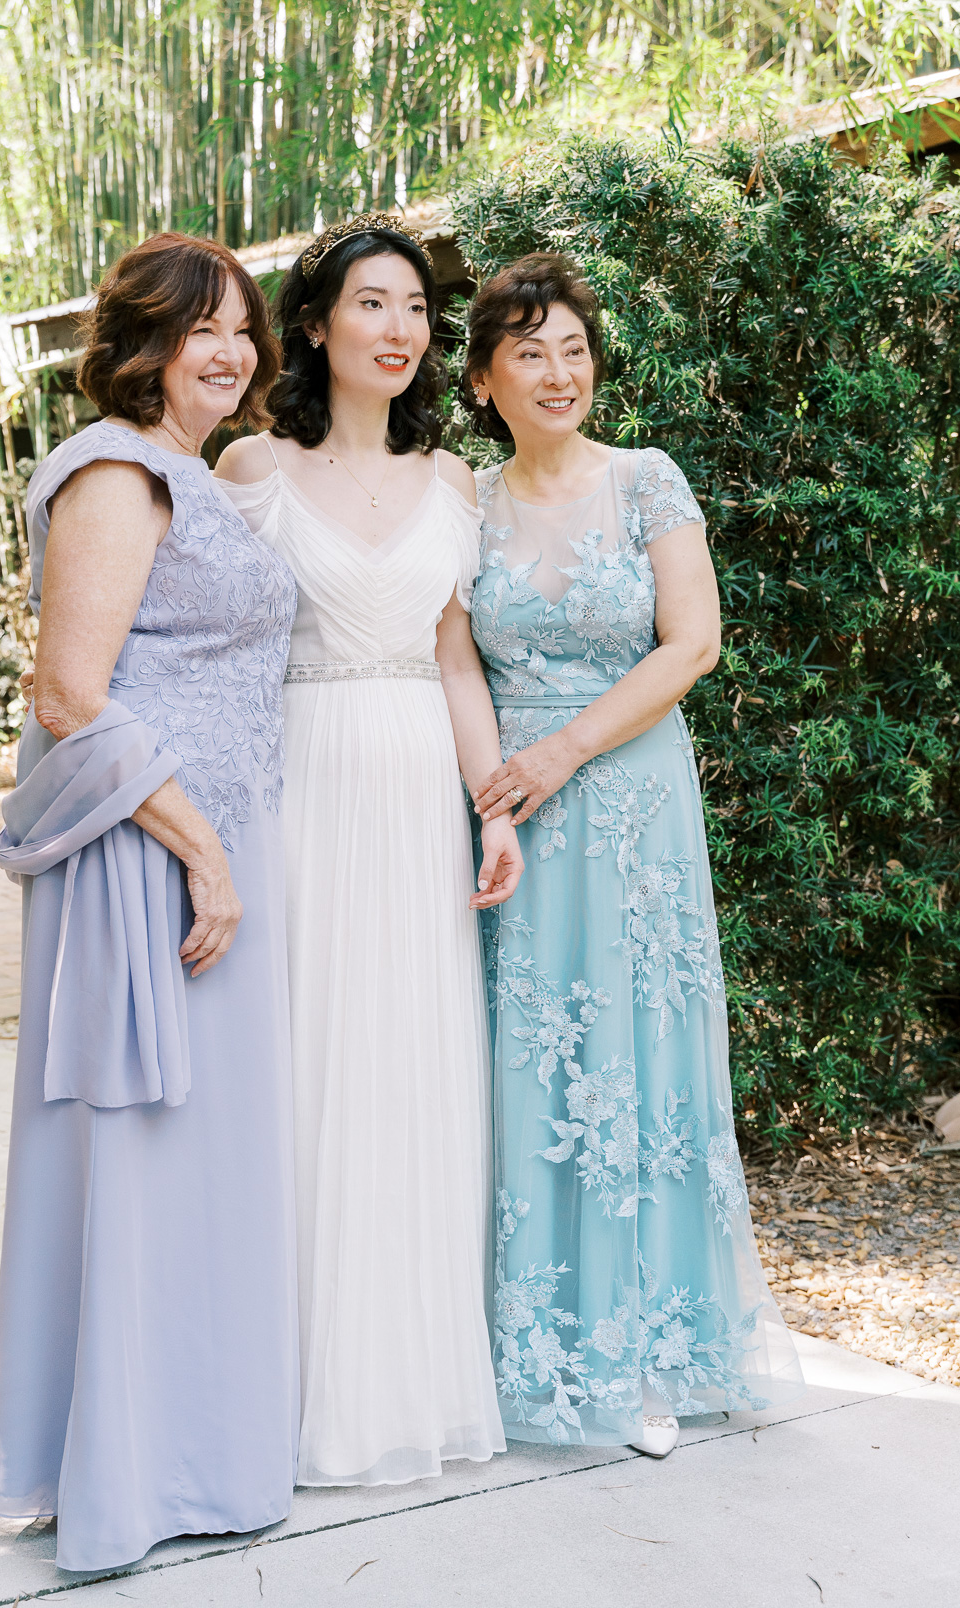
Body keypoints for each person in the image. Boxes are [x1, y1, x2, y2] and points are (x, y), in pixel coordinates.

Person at [0, 233, 300, 1571]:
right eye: (197, 328)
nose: (225, 351)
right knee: (141, 1151)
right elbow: (69, 694)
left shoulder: (195, 469)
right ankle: (129, 1474)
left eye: (239, 328)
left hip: (204, 844)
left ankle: (193, 1454)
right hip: (143, 854)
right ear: (141, 345)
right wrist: (203, 851)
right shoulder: (115, 472)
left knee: (200, 1163)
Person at [464, 252, 803, 1459]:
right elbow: (451, 657)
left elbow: (691, 644)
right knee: (523, 1056)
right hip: (509, 807)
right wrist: (496, 790)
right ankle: (519, 1343)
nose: (559, 373)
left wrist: (562, 751)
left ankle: (649, 1347)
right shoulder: (463, 499)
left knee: (638, 1054)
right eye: (530, 354)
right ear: (484, 379)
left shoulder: (646, 478)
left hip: (629, 801)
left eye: (574, 349)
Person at [216, 211, 522, 1488]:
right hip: (301, 785)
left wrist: (491, 805)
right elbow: (220, 648)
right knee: (308, 1058)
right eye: (371, 305)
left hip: (414, 790)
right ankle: (284, 1388)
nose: (398, 330)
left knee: (410, 1064)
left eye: (414, 310)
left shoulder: (452, 482)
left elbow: (454, 658)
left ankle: (403, 1382)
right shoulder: (252, 467)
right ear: (315, 324)